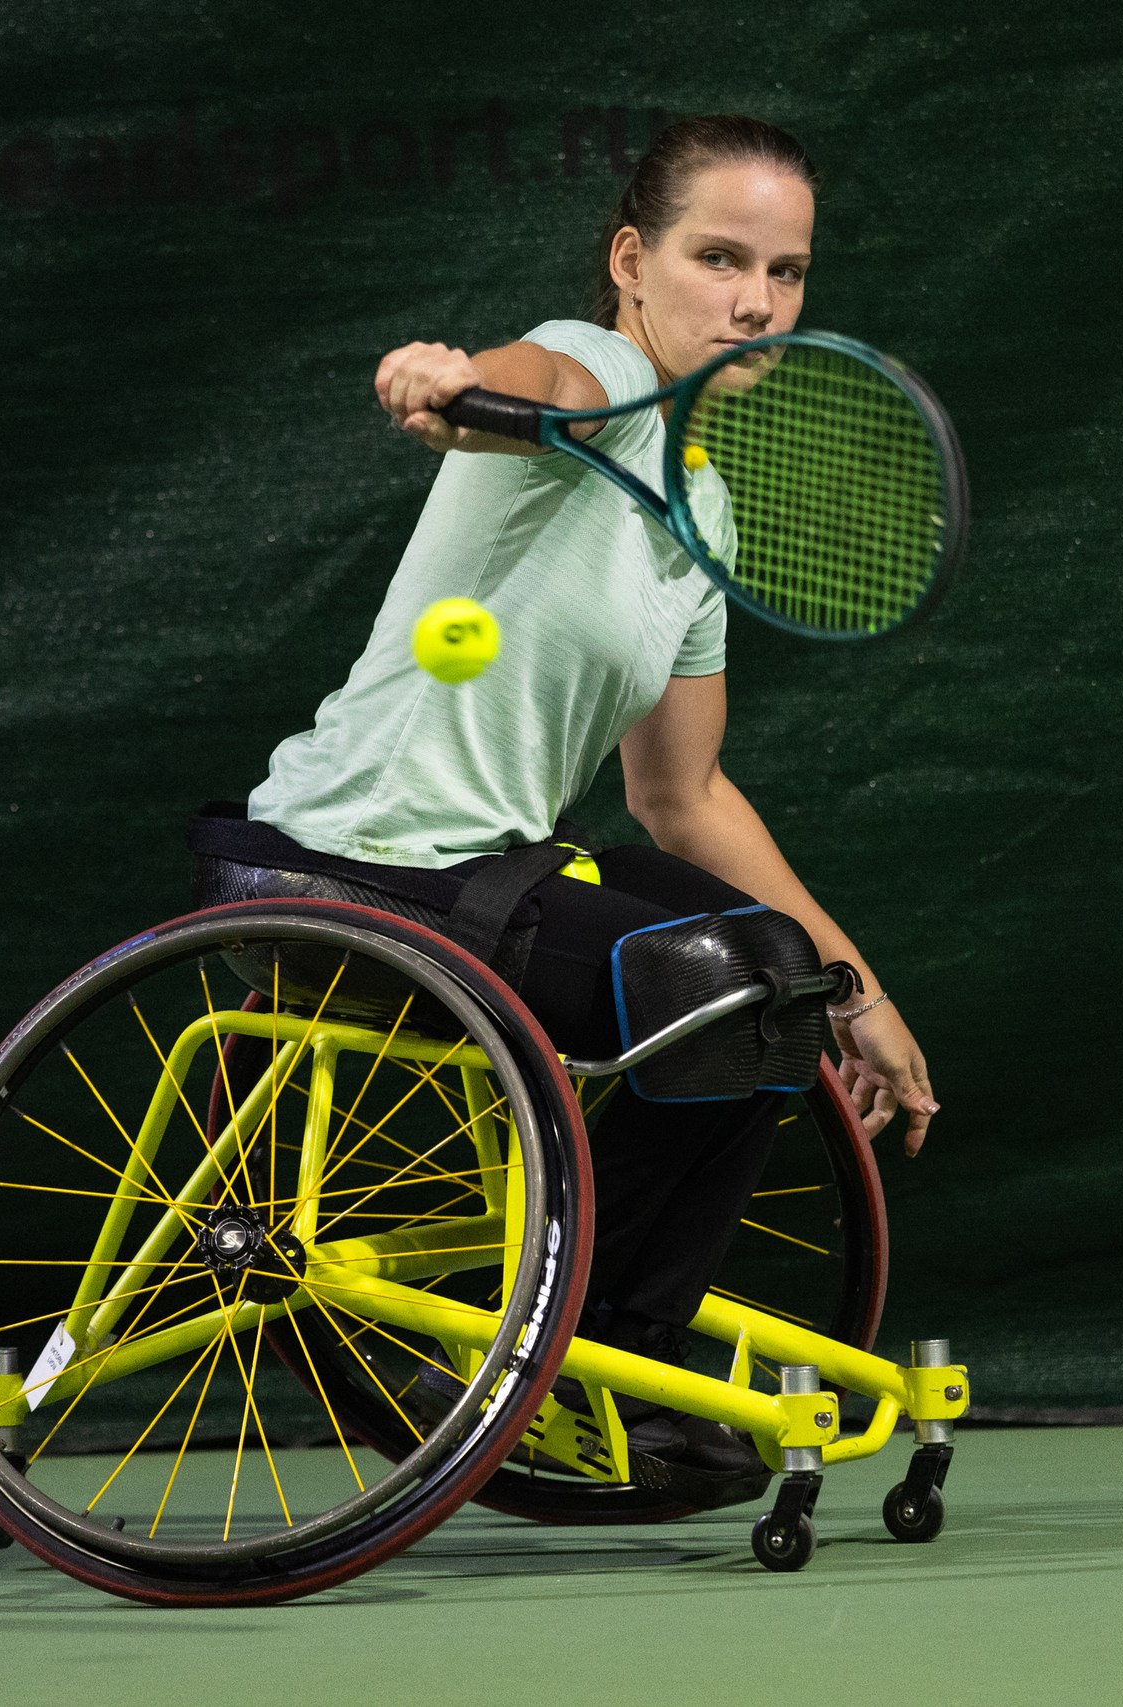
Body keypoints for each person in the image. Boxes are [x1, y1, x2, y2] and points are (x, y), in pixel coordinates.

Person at [232, 114, 939, 1491]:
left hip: (486, 873)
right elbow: (530, 380)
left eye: (786, 272)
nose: (755, 302)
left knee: (778, 980)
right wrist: (451, 382)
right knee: (720, 988)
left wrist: (860, 995)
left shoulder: (701, 516)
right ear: (630, 262)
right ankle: (565, 1355)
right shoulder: (600, 372)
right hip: (354, 859)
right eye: (718, 258)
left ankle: (608, 1346)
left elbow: (684, 796)